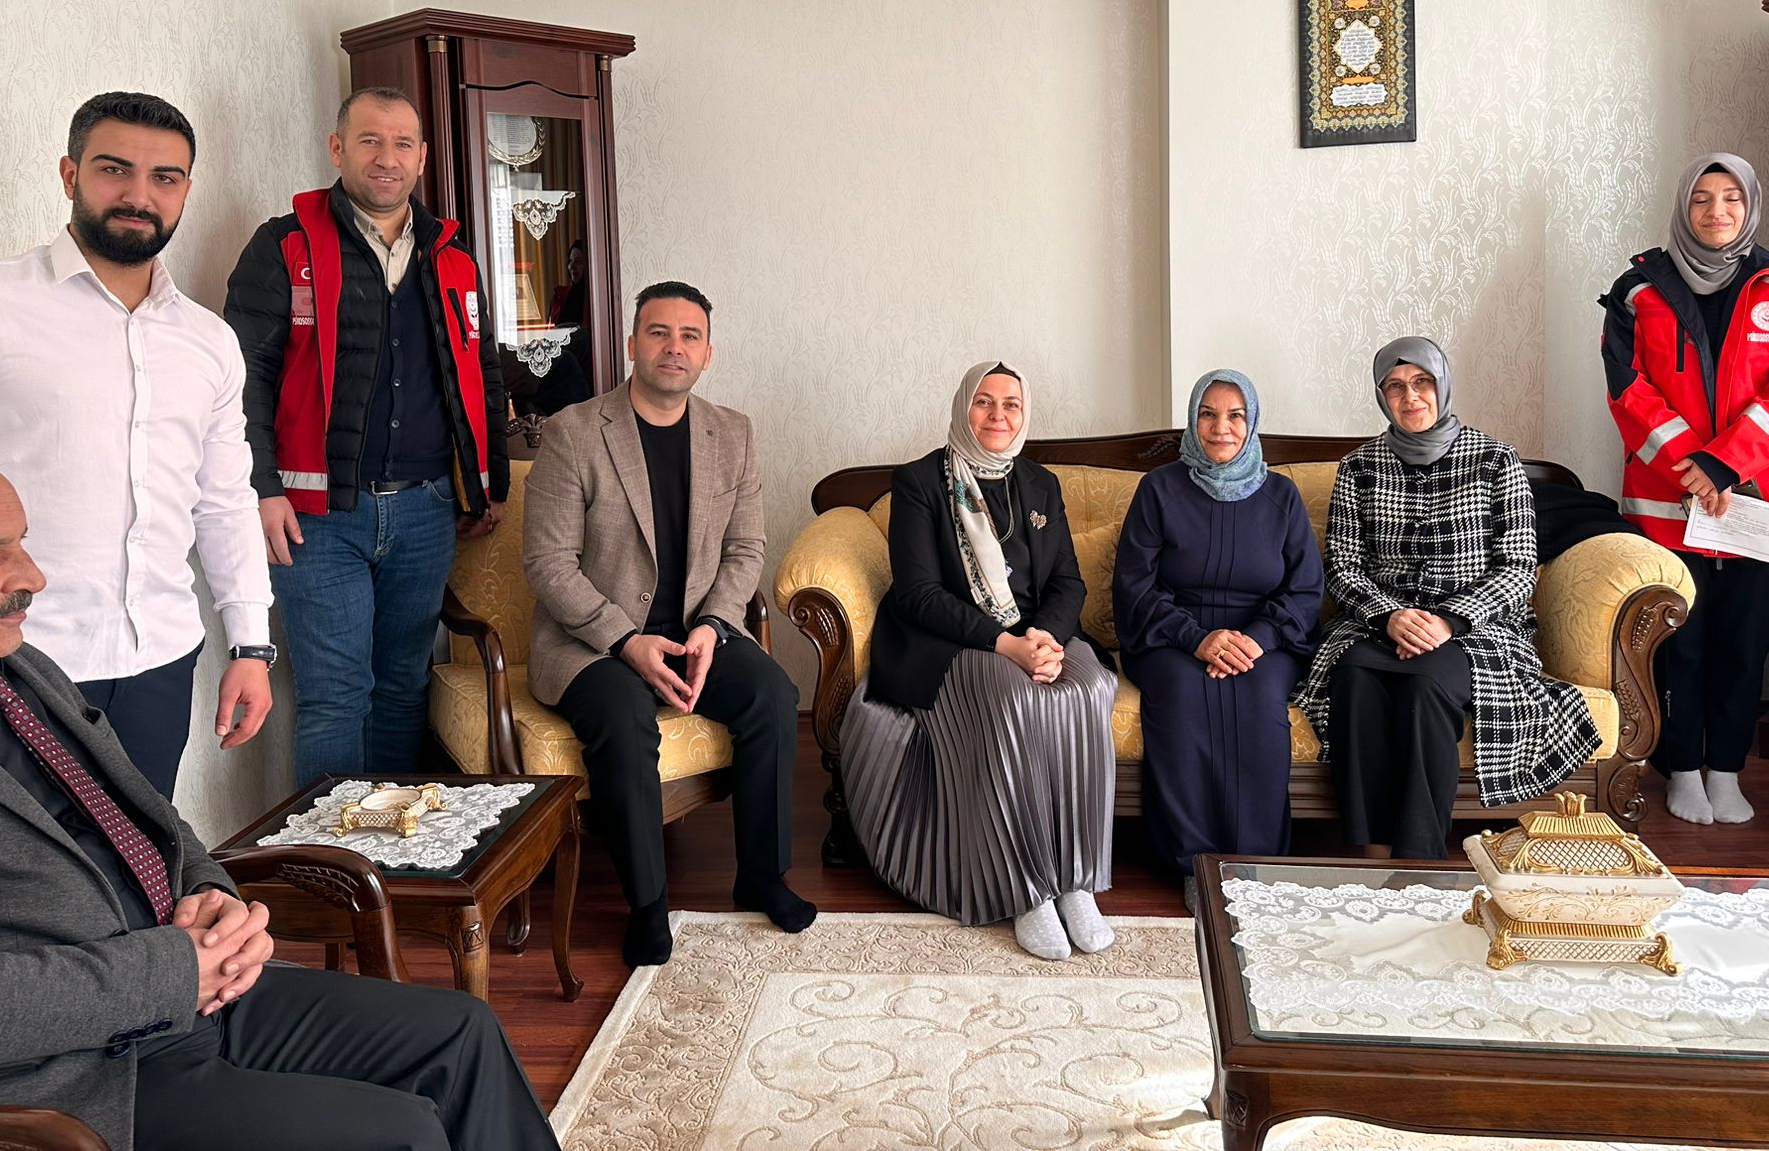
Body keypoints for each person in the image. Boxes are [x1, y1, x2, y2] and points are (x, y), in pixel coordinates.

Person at [0, 448, 557, 1151]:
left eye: (22, 542)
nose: (32, 576)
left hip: (196, 996)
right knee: (399, 1134)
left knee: (462, 1033)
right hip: (69, 1071)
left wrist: (211, 894)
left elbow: (145, 817)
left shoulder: (16, 667)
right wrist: (174, 973)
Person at [0, 92, 272, 799]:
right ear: (70, 174)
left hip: (160, 659)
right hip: (8, 660)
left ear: (186, 190)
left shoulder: (209, 340)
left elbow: (225, 500)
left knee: (143, 855)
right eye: (115, 170)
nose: (139, 196)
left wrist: (251, 644)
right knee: (17, 868)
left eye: (165, 177)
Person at [523, 281, 813, 967]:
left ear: (708, 353)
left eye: (689, 336)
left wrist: (713, 625)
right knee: (624, 715)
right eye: (658, 332)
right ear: (632, 344)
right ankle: (648, 906)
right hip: (593, 642)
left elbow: (746, 549)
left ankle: (762, 877)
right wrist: (625, 640)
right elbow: (548, 563)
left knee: (773, 695)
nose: (673, 347)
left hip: (696, 632)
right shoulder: (574, 432)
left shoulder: (732, 433)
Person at [224, 87, 507, 786]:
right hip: (317, 518)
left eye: (403, 143)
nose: (387, 158)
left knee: (404, 689)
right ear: (338, 148)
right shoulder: (284, 245)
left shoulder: (452, 255)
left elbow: (481, 373)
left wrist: (488, 484)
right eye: (370, 140)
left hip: (426, 511)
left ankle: (392, 845)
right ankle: (330, 854)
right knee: (335, 697)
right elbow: (241, 381)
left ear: (422, 157)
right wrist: (260, 488)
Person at [843, 362, 1117, 961]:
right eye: (984, 402)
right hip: (951, 640)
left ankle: (1076, 881)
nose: (998, 415)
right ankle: (1026, 889)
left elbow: (1068, 582)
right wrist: (1006, 644)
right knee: (1013, 696)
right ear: (962, 407)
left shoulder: (1040, 483)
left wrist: (1045, 638)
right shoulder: (919, 482)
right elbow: (919, 593)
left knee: (1091, 687)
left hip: (1034, 633)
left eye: (1011, 404)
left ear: (1025, 412)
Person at [1295, 338, 1600, 860]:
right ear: (1382, 397)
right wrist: (1389, 616)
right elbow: (1342, 567)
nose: (1410, 396)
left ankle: (1419, 859)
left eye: (1422, 382)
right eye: (1395, 387)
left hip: (1476, 630)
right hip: (1376, 624)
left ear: (1442, 385)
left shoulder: (1495, 460)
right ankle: (1373, 854)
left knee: (1424, 683)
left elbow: (1517, 568)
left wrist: (1449, 621)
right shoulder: (1359, 467)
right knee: (1356, 677)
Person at [1600, 153, 1769, 826]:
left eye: (1732, 198)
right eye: (1702, 198)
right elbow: (1628, 389)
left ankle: (1726, 769)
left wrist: (1726, 463)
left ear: (1750, 205)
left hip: (1759, 499)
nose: (1716, 211)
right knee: (1680, 641)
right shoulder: (1637, 289)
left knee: (1746, 641)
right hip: (1669, 501)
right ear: (1683, 207)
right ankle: (1680, 769)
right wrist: (1695, 466)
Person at [1113, 370, 1322, 908]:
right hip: (1170, 635)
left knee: (1258, 696)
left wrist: (1258, 638)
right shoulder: (1159, 489)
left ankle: (1255, 862)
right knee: (1184, 693)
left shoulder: (1281, 496)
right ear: (1192, 420)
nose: (1220, 427)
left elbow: (1305, 588)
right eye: (1208, 414)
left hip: (1263, 639)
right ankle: (1195, 862)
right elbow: (1135, 586)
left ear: (1252, 422)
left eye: (1235, 415)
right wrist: (1196, 639)